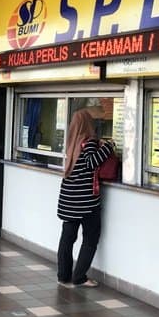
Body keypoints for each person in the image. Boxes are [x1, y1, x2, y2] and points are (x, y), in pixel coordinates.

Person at [57, 108, 115, 288]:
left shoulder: (71, 142)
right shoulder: (88, 141)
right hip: (85, 203)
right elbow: (91, 163)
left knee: (67, 239)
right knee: (90, 239)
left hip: (68, 200)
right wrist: (108, 146)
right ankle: (79, 277)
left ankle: (63, 275)